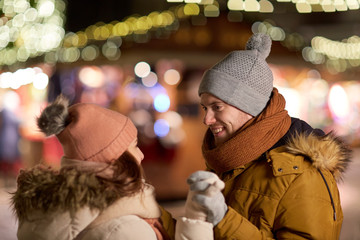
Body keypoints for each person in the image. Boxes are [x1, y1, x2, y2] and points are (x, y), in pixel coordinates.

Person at [187, 33, 352, 239]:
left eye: (217, 107)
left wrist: (224, 219)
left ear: (250, 107)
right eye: (205, 108)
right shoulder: (228, 162)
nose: (207, 119)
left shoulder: (301, 174)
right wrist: (152, 213)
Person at [11, 95, 215, 240]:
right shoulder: (124, 229)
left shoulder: (56, 214)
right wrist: (198, 219)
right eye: (134, 146)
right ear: (113, 158)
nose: (141, 154)